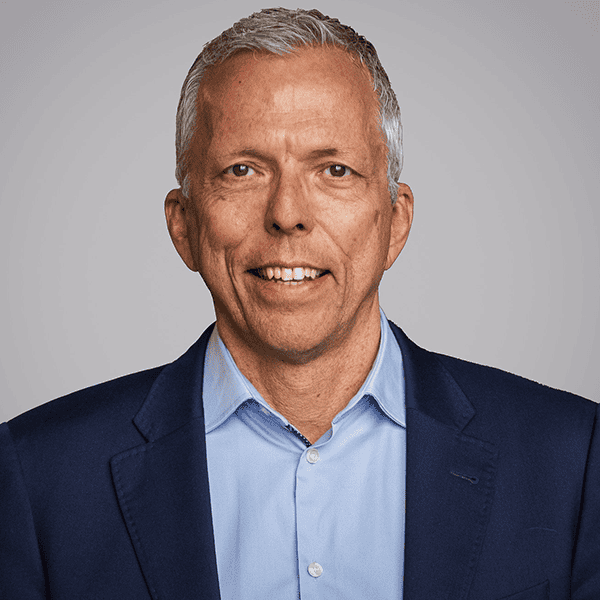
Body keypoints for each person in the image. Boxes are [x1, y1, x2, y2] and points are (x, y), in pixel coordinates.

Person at [0, 7, 598, 599]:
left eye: (334, 169)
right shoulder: (35, 478)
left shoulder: (573, 460)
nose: (287, 213)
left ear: (395, 222)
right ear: (183, 226)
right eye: (243, 170)